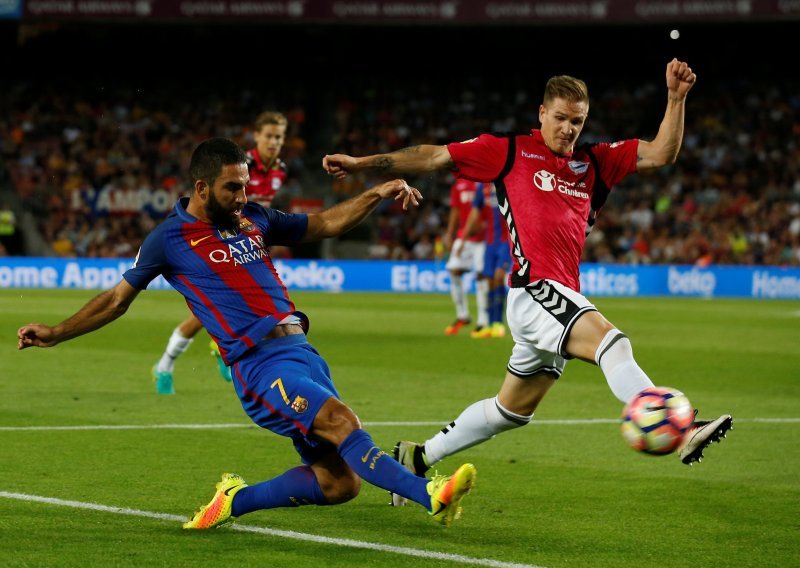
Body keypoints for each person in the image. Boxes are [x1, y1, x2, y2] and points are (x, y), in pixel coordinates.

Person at [322, 59, 733, 497]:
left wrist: (675, 98)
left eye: (577, 121)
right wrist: (362, 163)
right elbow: (433, 155)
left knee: (510, 411)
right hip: (535, 291)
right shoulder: (511, 151)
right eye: (560, 118)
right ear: (542, 113)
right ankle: (681, 429)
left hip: (556, 296)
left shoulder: (597, 161)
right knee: (614, 344)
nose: (568, 129)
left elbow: (661, 153)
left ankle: (417, 457)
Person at [18, 137, 476, 529]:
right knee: (342, 421)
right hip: (257, 365)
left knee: (339, 484)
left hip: (302, 352)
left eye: (245, 185)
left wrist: (375, 193)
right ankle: (430, 493)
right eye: (232, 187)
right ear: (202, 187)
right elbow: (117, 299)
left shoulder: (254, 218)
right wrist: (57, 332)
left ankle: (233, 500)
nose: (242, 195)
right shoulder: (169, 239)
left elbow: (323, 224)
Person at [152, 111, 290, 394]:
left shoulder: (281, 170)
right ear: (257, 136)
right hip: (215, 241)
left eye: (279, 136)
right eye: (269, 136)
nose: (274, 142)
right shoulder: (239, 164)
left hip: (246, 242)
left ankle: (176, 362)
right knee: (210, 313)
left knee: (217, 313)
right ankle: (178, 361)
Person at [454, 182, 511, 339]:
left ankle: (499, 324)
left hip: (507, 241)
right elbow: (474, 214)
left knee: (499, 277)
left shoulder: (509, 182)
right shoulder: (482, 187)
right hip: (490, 242)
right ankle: (490, 324)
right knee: (490, 281)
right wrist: (463, 240)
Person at [441, 178, 489, 336]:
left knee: (482, 276)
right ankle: (463, 315)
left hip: (484, 237)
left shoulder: (486, 180)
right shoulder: (459, 184)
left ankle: (483, 320)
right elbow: (455, 210)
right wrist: (449, 234)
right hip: (463, 236)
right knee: (454, 270)